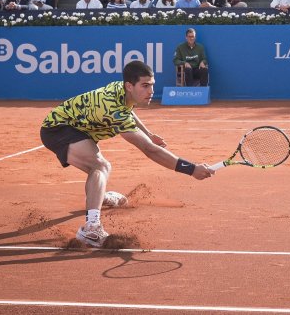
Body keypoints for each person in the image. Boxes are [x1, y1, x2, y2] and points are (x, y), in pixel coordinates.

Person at [41, 60, 213, 247]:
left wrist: (148, 133)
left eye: (152, 85)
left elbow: (129, 110)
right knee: (99, 166)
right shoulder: (113, 111)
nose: (151, 91)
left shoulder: (123, 91)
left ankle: (99, 196)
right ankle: (91, 228)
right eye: (145, 86)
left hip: (79, 128)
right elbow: (149, 150)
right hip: (58, 128)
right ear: (129, 86)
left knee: (99, 167)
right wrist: (191, 169)